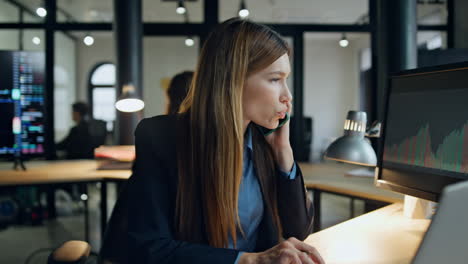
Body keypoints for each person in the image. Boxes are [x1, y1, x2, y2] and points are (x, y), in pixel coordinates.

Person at [127, 18, 325, 264]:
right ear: (233, 80)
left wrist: (283, 153)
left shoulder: (263, 142)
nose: (288, 96)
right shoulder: (160, 137)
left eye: (286, 80)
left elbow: (298, 231)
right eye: (275, 79)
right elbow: (149, 248)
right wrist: (250, 260)